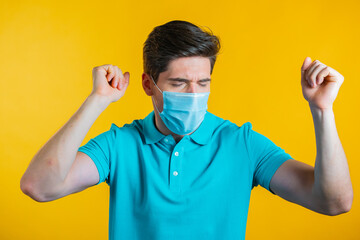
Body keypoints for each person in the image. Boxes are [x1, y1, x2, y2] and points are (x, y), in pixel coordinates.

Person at [20, 20, 353, 240]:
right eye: (179, 83)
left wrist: (322, 110)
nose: (194, 95)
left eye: (203, 83)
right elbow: (39, 186)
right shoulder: (119, 145)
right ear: (149, 84)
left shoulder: (242, 145)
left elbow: (333, 202)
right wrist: (98, 99)